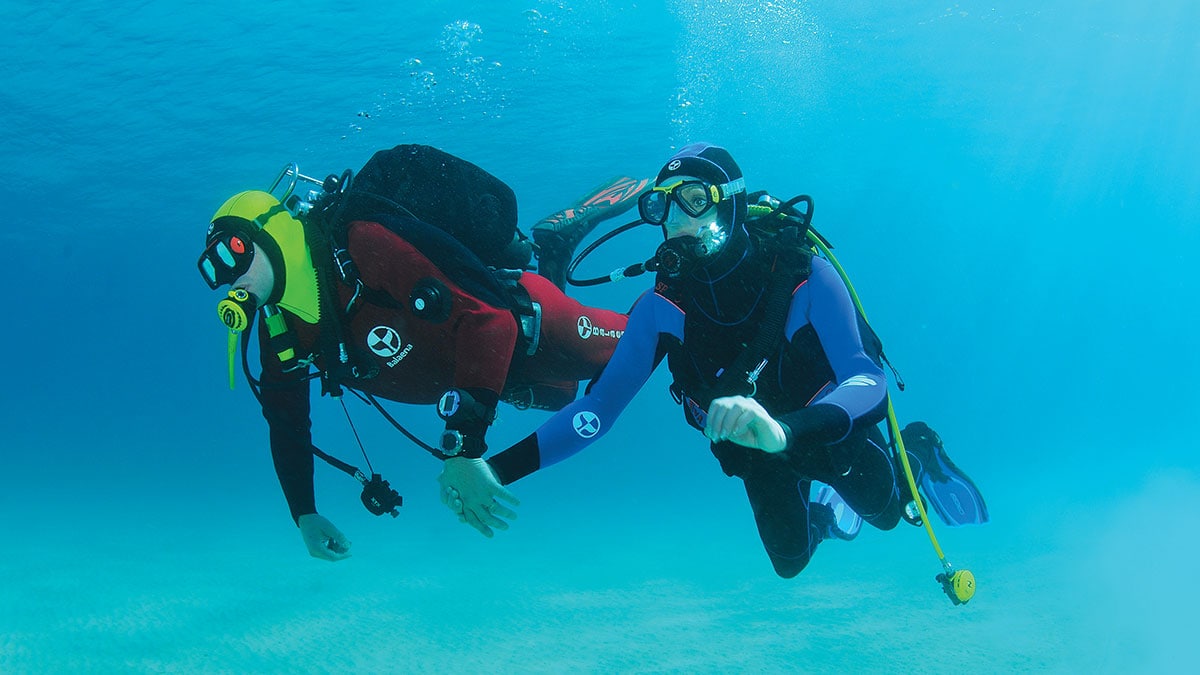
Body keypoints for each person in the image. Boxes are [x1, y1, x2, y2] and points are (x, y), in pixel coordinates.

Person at [438, 143, 987, 578]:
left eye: (694, 199)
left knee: (891, 515)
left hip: (823, 432)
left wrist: (786, 429)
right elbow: (598, 410)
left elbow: (866, 378)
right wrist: (495, 467)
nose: (676, 219)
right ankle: (826, 510)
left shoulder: (801, 276)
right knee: (789, 563)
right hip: (758, 453)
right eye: (662, 205)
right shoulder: (659, 308)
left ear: (732, 203)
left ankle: (917, 450)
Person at [197, 144, 640, 561]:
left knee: (638, 343)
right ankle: (554, 247)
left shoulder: (361, 246)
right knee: (563, 396)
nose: (231, 280)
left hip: (530, 327)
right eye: (215, 270)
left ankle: (624, 269)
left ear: (271, 235)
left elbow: (489, 319)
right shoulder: (280, 327)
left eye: (235, 254)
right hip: (491, 380)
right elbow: (286, 421)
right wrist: (304, 514)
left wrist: (463, 451)